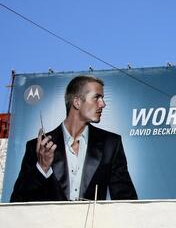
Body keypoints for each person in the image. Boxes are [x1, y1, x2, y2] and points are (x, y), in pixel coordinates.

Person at [10, 75, 138, 202]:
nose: (103, 104)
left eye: (102, 98)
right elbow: (18, 201)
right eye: (97, 98)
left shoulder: (111, 144)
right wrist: (42, 168)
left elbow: (127, 200)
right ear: (77, 102)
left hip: (96, 222)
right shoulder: (37, 147)